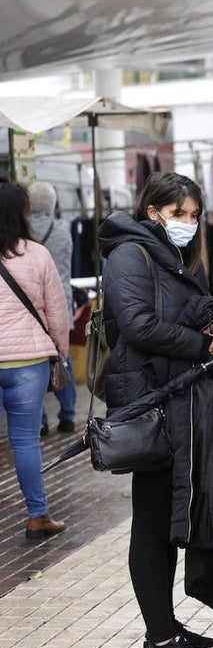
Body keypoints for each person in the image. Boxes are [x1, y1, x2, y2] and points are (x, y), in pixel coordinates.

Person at [100, 172, 213, 648]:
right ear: (152, 211)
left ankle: (166, 623)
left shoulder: (174, 255)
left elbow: (204, 309)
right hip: (151, 403)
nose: (188, 223)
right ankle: (160, 642)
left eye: (193, 215)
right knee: (151, 523)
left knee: (170, 522)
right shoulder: (130, 254)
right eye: (178, 214)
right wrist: (203, 347)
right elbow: (137, 324)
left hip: (180, 402)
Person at [0, 183, 69, 540]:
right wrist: (61, 351)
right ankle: (37, 516)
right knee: (25, 441)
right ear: (24, 212)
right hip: (29, 362)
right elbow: (57, 312)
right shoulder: (38, 255)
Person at [28, 182, 76, 436]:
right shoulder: (64, 230)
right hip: (61, 301)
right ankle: (68, 414)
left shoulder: (21, 231)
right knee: (62, 358)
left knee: (35, 364)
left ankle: (42, 421)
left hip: (32, 306)